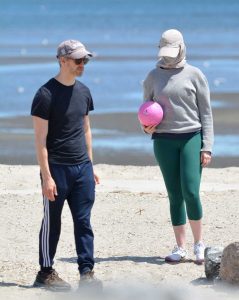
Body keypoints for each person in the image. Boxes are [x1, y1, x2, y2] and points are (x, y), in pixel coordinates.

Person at [31, 39, 102, 290]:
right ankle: (45, 272)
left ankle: (87, 273)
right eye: (78, 60)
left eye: (85, 60)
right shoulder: (45, 94)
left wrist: (90, 165)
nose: (83, 64)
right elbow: (40, 140)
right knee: (53, 221)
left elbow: (85, 130)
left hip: (82, 167)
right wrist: (46, 176)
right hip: (57, 169)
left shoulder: (84, 91)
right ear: (63, 61)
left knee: (84, 222)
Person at [142, 29, 213, 264]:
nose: (168, 57)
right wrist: (146, 127)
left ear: (182, 48)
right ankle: (180, 247)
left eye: (172, 52)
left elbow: (206, 114)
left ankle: (199, 244)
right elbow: (146, 110)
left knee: (191, 191)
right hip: (163, 140)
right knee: (174, 194)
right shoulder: (152, 76)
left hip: (191, 137)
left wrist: (207, 146)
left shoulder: (195, 75)